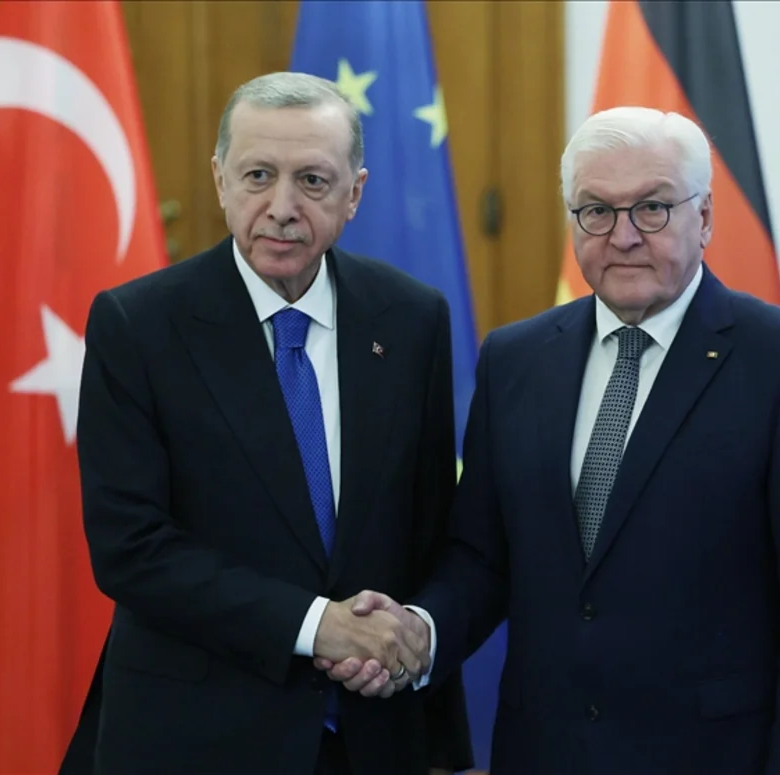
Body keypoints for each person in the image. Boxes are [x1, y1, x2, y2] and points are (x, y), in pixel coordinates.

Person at [321, 106, 780, 774]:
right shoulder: (516, 359)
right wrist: (420, 631)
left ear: (704, 217)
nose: (624, 236)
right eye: (597, 211)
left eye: (652, 208)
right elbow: (482, 557)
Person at [67, 71, 471, 775]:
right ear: (221, 180)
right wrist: (318, 625)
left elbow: (430, 528)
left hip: (371, 734)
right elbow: (130, 547)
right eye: (258, 175)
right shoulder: (139, 325)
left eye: (312, 181)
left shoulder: (412, 319)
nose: (282, 208)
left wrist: (411, 643)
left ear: (354, 194)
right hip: (197, 740)